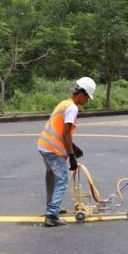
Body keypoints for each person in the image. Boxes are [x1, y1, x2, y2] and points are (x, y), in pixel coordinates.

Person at [37, 77, 95, 227]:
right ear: (81, 93)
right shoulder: (72, 108)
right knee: (62, 181)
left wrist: (73, 147)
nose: (87, 100)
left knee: (51, 178)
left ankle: (52, 207)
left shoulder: (65, 103)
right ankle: (51, 216)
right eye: (87, 97)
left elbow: (62, 131)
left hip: (44, 146)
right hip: (53, 150)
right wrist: (71, 156)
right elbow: (66, 134)